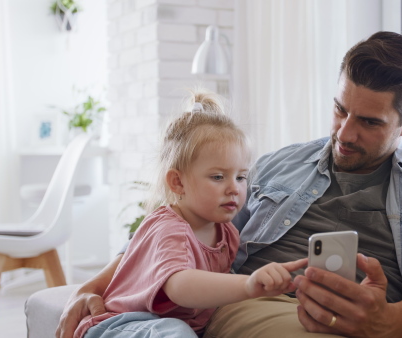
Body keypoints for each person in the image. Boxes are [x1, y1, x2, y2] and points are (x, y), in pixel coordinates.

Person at [57, 31, 402, 338]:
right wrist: (93, 286)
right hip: (252, 303)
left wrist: (386, 323)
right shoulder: (282, 163)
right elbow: (180, 226)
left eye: (368, 122)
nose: (344, 134)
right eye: (339, 110)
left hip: (358, 320)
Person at [71, 90, 307, 338]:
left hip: (167, 327)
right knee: (176, 332)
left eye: (241, 177)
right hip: (121, 324)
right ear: (177, 182)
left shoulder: (226, 232)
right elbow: (179, 286)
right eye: (218, 177)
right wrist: (248, 285)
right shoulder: (169, 227)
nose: (233, 188)